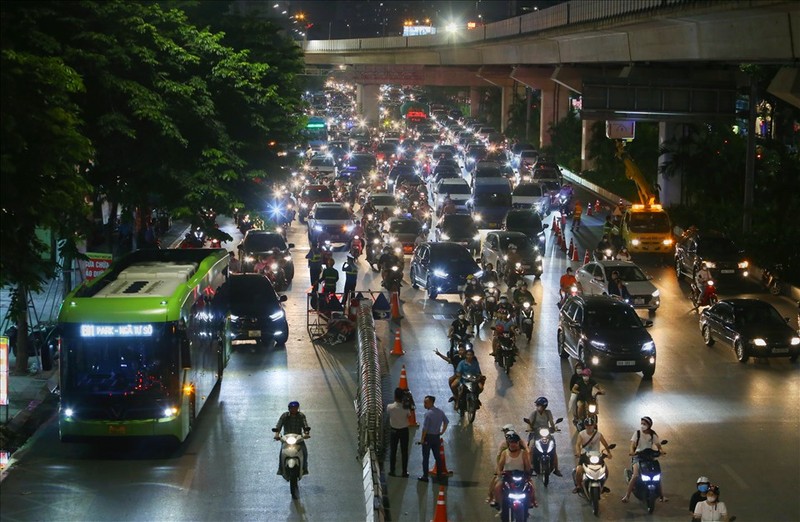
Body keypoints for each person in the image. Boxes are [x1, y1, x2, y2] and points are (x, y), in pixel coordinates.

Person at [622, 416, 666, 503]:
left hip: (649, 457)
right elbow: (632, 444)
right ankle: (627, 496)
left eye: (644, 424)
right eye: (641, 423)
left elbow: (658, 446)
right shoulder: (637, 433)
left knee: (657, 475)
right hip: (638, 457)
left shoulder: (653, 435)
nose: (642, 425)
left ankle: (662, 496)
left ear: (649, 425)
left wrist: (661, 451)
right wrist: (631, 451)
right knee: (635, 475)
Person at [492, 433, 537, 509]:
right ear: (508, 443)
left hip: (521, 476)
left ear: (518, 443)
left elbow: (527, 466)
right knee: (497, 487)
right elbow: (500, 466)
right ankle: (499, 504)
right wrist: (499, 472)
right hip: (507, 476)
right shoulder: (504, 453)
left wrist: (528, 473)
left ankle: (532, 501)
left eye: (515, 442)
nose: (513, 444)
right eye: (511, 442)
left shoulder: (523, 453)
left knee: (531, 486)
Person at [573, 417, 613, 493]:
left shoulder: (598, 434)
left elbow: (605, 444)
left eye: (591, 425)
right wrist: (578, 452)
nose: (589, 427)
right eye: (587, 425)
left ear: (594, 425)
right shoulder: (581, 434)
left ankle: (602, 484)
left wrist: (608, 452)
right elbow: (577, 444)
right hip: (585, 455)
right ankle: (578, 485)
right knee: (579, 470)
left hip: (597, 455)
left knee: (606, 471)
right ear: (585, 426)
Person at [525, 396, 562, 476]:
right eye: (538, 405)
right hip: (535, 433)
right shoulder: (534, 414)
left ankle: (556, 469)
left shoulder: (548, 412)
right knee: (531, 448)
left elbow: (552, 423)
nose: (538, 407)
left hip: (546, 432)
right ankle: (531, 467)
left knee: (553, 448)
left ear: (544, 406)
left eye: (540, 405)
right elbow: (529, 424)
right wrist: (529, 429)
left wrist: (554, 428)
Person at [273, 401, 311, 475]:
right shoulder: (284, 416)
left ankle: (305, 468)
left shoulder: (301, 416)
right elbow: (278, 426)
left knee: (304, 452)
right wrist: (277, 434)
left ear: (298, 408)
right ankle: (280, 469)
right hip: (286, 438)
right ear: (289, 408)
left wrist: (306, 434)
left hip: (298, 438)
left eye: (295, 408)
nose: (294, 409)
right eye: (292, 408)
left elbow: (305, 425)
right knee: (282, 453)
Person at [418, 396, 449, 482]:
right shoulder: (440, 412)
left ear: (431, 402)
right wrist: (442, 431)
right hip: (436, 437)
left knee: (426, 457)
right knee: (437, 457)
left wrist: (422, 439)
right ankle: (439, 474)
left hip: (428, 437)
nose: (424, 404)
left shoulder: (428, 414)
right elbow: (446, 421)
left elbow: (425, 429)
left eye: (426, 403)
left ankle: (425, 476)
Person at [386, 387, 410, 477]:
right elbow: (409, 415)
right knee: (404, 451)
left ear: (395, 396)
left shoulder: (390, 407)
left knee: (393, 450)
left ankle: (392, 470)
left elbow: (388, 413)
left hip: (393, 431)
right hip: (404, 431)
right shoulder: (406, 407)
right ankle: (404, 471)